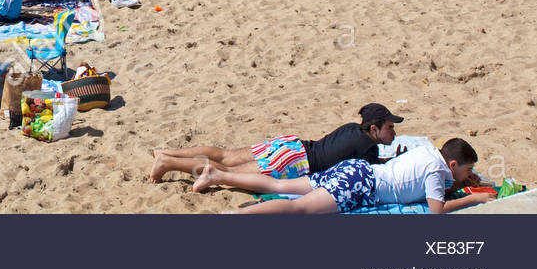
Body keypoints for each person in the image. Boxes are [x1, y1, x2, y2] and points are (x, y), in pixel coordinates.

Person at [196, 138, 494, 215]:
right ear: (453, 164)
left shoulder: (429, 153)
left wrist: (463, 181)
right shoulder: (436, 172)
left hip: (354, 170)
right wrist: (474, 198)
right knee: (299, 209)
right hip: (361, 186)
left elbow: (439, 181)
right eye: (467, 170)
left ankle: (217, 174)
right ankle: (234, 214)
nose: (469, 175)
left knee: (280, 185)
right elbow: (435, 211)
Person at [151, 102, 405, 182]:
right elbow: (378, 172)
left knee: (224, 155)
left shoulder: (352, 128)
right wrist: (395, 159)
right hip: (296, 163)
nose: (393, 133)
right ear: (374, 129)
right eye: (390, 128)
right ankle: (167, 163)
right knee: (226, 171)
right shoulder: (367, 147)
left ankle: (167, 152)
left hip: (293, 145)